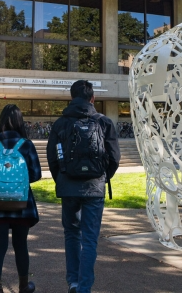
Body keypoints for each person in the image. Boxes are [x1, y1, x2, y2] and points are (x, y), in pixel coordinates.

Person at [47, 80, 121, 293]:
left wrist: (60, 178)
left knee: (71, 234)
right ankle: (84, 288)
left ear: (72, 98)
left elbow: (52, 156)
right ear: (92, 98)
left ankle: (73, 282)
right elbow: (114, 157)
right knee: (89, 238)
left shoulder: (61, 123)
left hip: (68, 186)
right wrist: (104, 177)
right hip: (94, 186)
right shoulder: (104, 122)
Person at [0, 104, 41, 293]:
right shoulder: (26, 144)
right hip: (22, 204)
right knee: (21, 246)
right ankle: (23, 285)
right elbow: (36, 175)